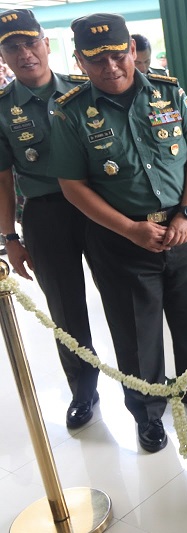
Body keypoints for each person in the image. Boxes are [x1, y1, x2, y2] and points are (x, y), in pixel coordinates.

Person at [50, 13, 187, 453]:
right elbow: (72, 185)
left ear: (131, 50)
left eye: (117, 53)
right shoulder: (69, 113)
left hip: (184, 230)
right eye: (96, 58)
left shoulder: (168, 92)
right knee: (136, 332)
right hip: (121, 240)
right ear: (80, 61)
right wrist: (129, 228)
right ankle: (147, 414)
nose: (111, 66)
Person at [0, 9, 101, 429]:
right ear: (2, 54)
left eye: (30, 42)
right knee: (64, 306)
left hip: (100, 208)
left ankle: (143, 382)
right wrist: (9, 236)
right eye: (12, 46)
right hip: (44, 213)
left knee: (126, 296)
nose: (25, 53)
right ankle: (83, 388)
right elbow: (2, 179)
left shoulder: (87, 89)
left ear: (45, 42)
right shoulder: (2, 109)